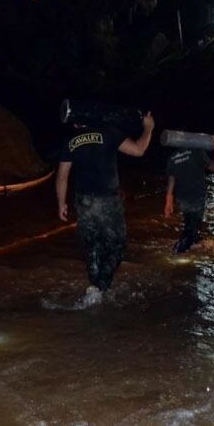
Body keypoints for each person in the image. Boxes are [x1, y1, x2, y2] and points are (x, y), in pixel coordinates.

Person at [56, 112, 155, 298]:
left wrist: (62, 203)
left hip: (83, 200)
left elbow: (62, 176)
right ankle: (102, 286)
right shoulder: (109, 132)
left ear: (76, 124)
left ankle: (93, 286)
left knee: (92, 244)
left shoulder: (70, 139)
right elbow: (139, 150)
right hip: (108, 200)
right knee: (117, 245)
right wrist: (149, 128)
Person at [163, 139, 214, 253]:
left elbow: (171, 178)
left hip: (182, 199)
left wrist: (168, 200)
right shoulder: (197, 151)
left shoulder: (172, 157)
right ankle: (177, 253)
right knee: (192, 229)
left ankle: (194, 245)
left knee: (190, 224)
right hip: (197, 196)